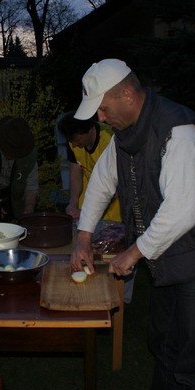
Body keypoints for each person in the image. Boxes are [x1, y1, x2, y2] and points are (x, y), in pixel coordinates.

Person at [69, 59, 195, 390]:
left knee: (192, 360)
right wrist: (83, 237)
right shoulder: (125, 134)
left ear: (128, 95)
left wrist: (133, 253)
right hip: (166, 255)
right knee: (163, 342)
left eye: (104, 108)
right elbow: (101, 182)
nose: (100, 118)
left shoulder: (179, 131)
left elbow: (181, 211)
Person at [57, 111, 136, 303]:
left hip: (116, 207)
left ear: (91, 129)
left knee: (118, 252)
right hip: (88, 204)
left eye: (77, 139)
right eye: (70, 140)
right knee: (86, 247)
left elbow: (117, 185)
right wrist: (73, 202)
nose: (74, 144)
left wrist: (93, 212)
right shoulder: (73, 142)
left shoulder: (111, 141)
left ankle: (121, 298)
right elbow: (76, 173)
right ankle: (92, 294)